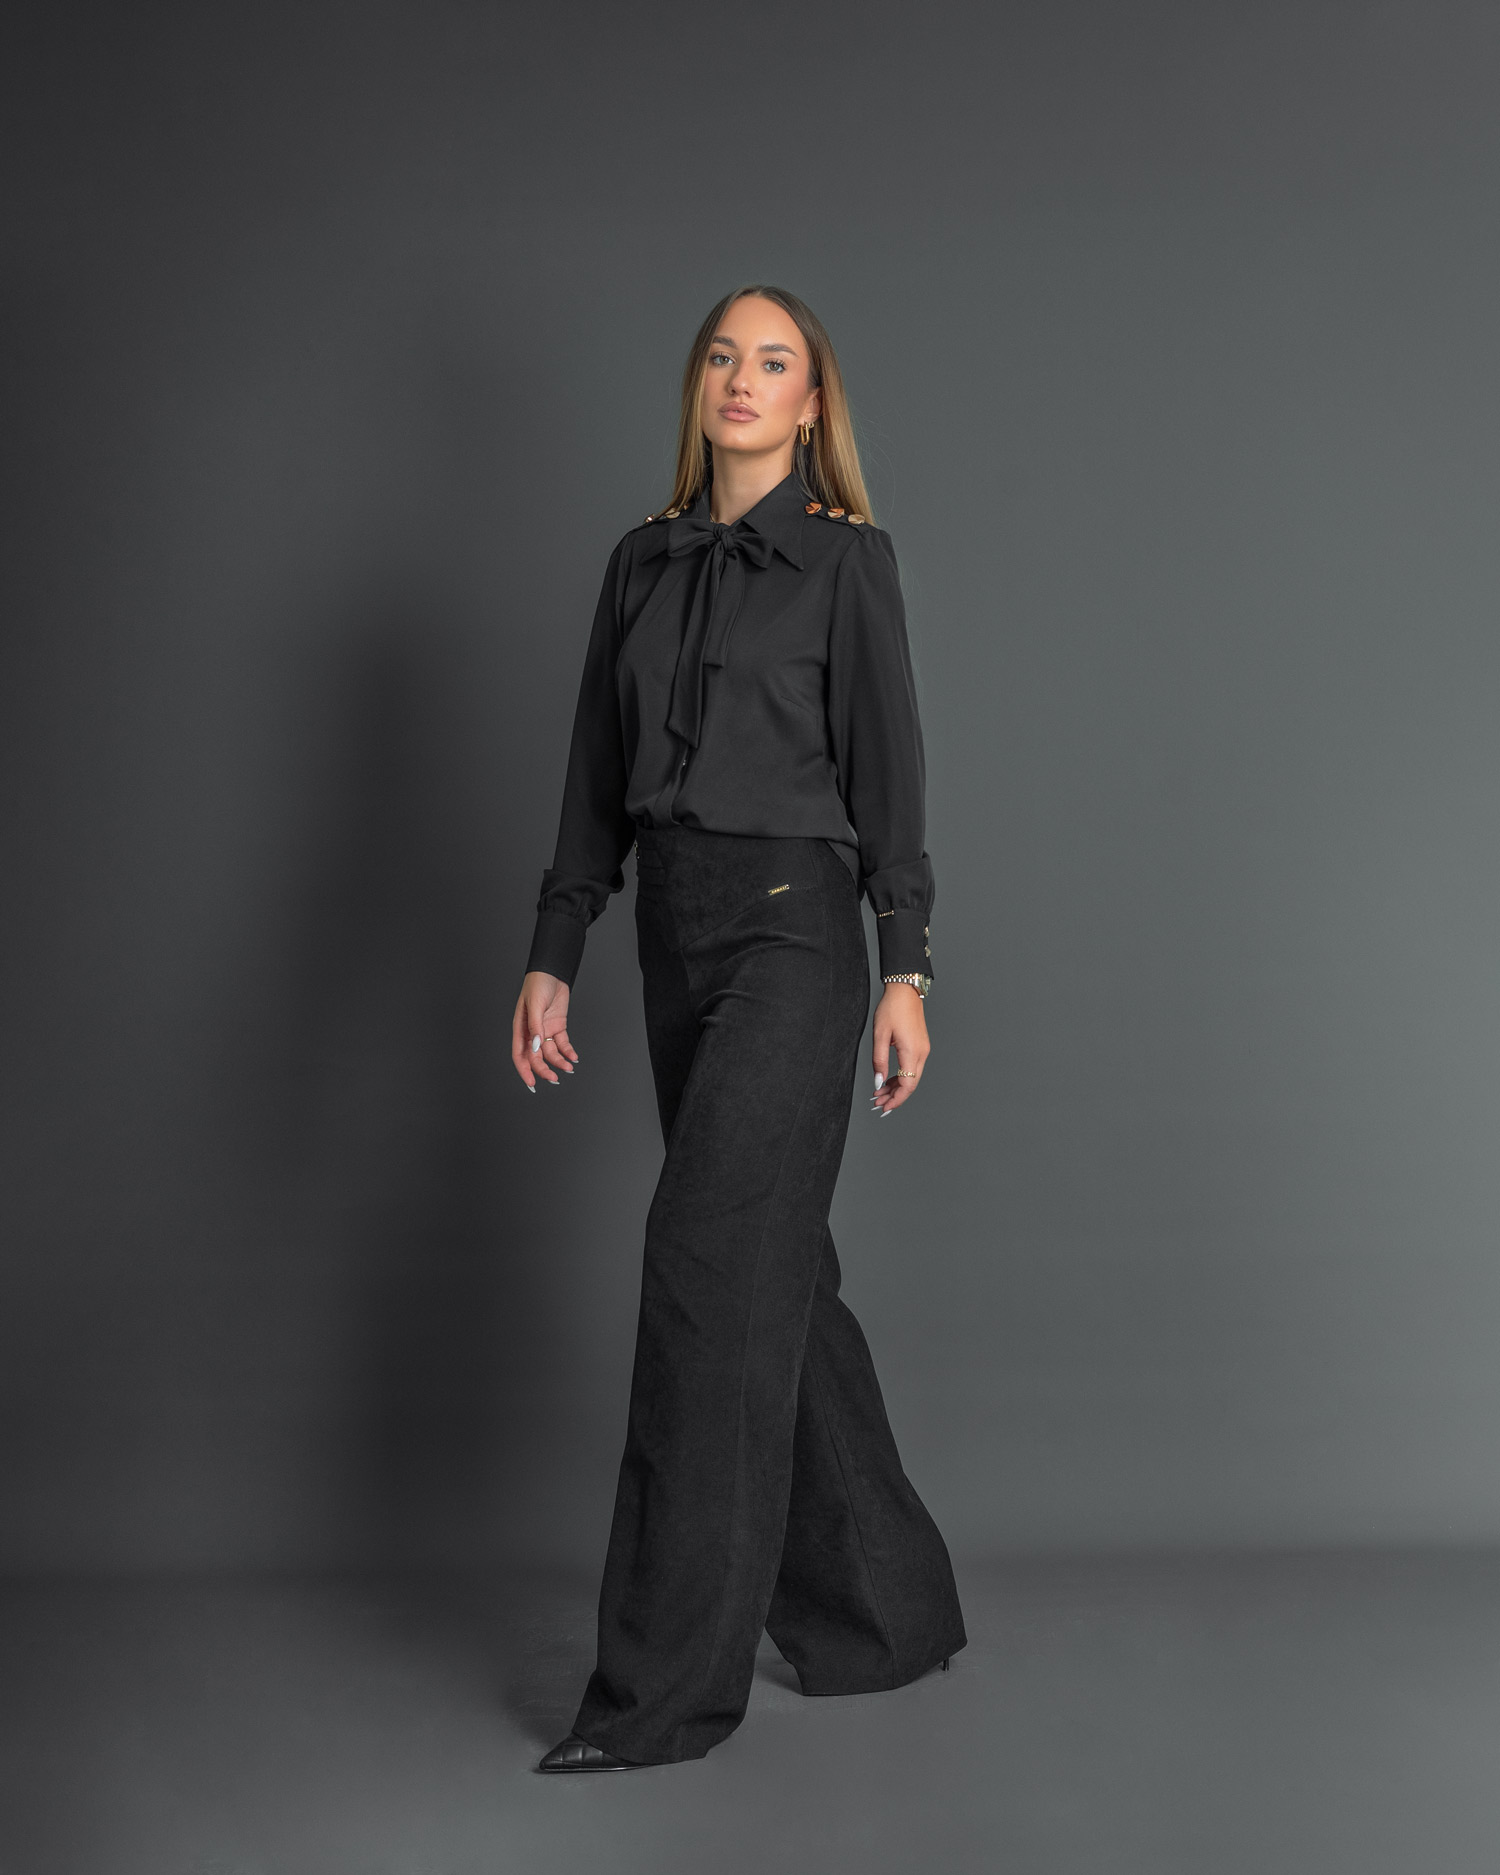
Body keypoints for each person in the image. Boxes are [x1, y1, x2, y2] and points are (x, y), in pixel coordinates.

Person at [514, 285, 966, 1771]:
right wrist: (556, 946)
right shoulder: (640, 562)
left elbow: (891, 773)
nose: (743, 380)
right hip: (673, 930)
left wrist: (904, 968)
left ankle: (658, 1695)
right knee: (777, 1268)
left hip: (795, 930)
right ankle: (886, 1613)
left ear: (813, 403)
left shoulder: (846, 563)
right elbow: (592, 772)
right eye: (723, 356)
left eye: (775, 362)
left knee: (707, 1270)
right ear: (698, 385)